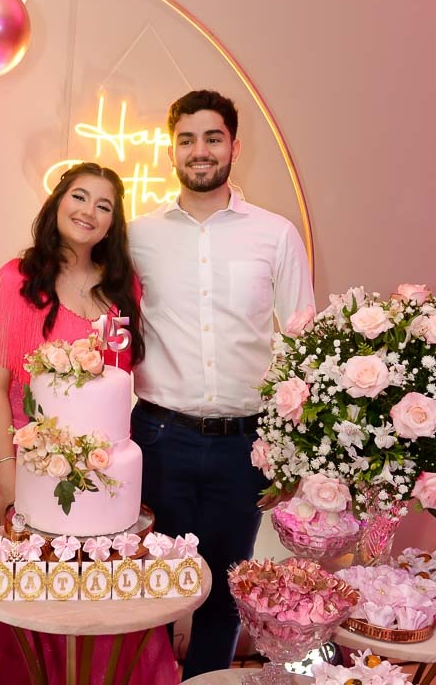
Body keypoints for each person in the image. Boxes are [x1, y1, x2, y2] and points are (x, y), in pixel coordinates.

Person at [0, 162, 176, 684]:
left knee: (96, 610)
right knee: (17, 609)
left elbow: (116, 383)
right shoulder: (17, 280)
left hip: (101, 479)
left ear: (112, 225)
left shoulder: (122, 289)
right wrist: (9, 479)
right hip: (22, 463)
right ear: (58, 203)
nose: (89, 212)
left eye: (104, 206)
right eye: (79, 197)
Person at [128, 89, 315, 678]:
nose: (199, 150)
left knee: (227, 586)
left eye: (212, 138)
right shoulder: (137, 236)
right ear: (171, 150)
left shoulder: (275, 234)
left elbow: (302, 343)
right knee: (150, 584)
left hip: (245, 444)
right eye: (186, 139)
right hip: (158, 437)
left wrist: (291, 450)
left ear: (234, 146)